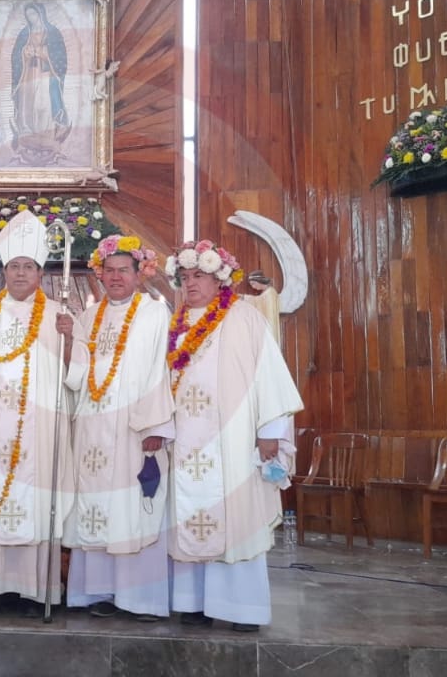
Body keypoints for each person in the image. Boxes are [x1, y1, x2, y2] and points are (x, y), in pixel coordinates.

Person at [163, 240, 304, 632]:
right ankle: (193, 603)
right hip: (186, 442)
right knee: (190, 517)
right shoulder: (177, 324)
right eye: (186, 276)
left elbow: (269, 376)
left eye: (200, 275)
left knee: (238, 521)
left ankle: (242, 609)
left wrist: (270, 431)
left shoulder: (243, 317)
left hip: (234, 443)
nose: (191, 283)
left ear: (219, 278)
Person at [0, 209, 86, 617]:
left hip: (38, 431)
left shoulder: (58, 316)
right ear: (5, 271)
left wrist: (69, 342)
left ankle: (31, 591)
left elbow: (76, 375)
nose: (21, 274)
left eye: (28, 266)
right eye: (14, 266)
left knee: (32, 502)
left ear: (41, 272)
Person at [62, 235, 174, 621]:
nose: (114, 278)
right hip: (93, 431)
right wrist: (67, 338)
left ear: (139, 274)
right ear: (99, 275)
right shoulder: (89, 317)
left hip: (135, 429)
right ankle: (97, 593)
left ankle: (140, 599)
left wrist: (156, 425)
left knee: (134, 509)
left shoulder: (154, 313)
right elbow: (78, 376)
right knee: (96, 508)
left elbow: (161, 371)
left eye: (122, 271)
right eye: (108, 271)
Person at [10, 2, 70, 164]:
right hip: (28, 74)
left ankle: (46, 133)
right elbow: (16, 55)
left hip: (45, 74)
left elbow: (60, 56)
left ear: (41, 14)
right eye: (28, 16)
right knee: (28, 103)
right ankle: (27, 132)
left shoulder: (53, 33)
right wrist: (25, 53)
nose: (32, 18)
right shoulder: (24, 33)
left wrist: (43, 53)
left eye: (34, 14)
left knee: (43, 104)